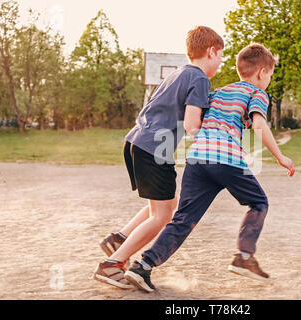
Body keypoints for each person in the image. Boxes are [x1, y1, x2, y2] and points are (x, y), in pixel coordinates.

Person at [123, 43, 295, 292]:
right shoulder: (257, 93)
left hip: (197, 160)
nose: (268, 80)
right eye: (270, 75)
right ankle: (244, 257)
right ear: (261, 74)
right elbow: (259, 126)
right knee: (259, 203)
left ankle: (143, 266)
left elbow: (200, 120)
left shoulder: (219, 92)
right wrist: (280, 156)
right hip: (225, 160)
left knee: (183, 219)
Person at [93, 26, 224, 289]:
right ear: (211, 51)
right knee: (163, 215)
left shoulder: (177, 74)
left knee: (164, 204)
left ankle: (119, 239)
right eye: (220, 55)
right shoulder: (199, 78)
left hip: (136, 142)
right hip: (155, 149)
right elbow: (190, 124)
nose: (220, 62)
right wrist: (212, 144)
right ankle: (111, 265)